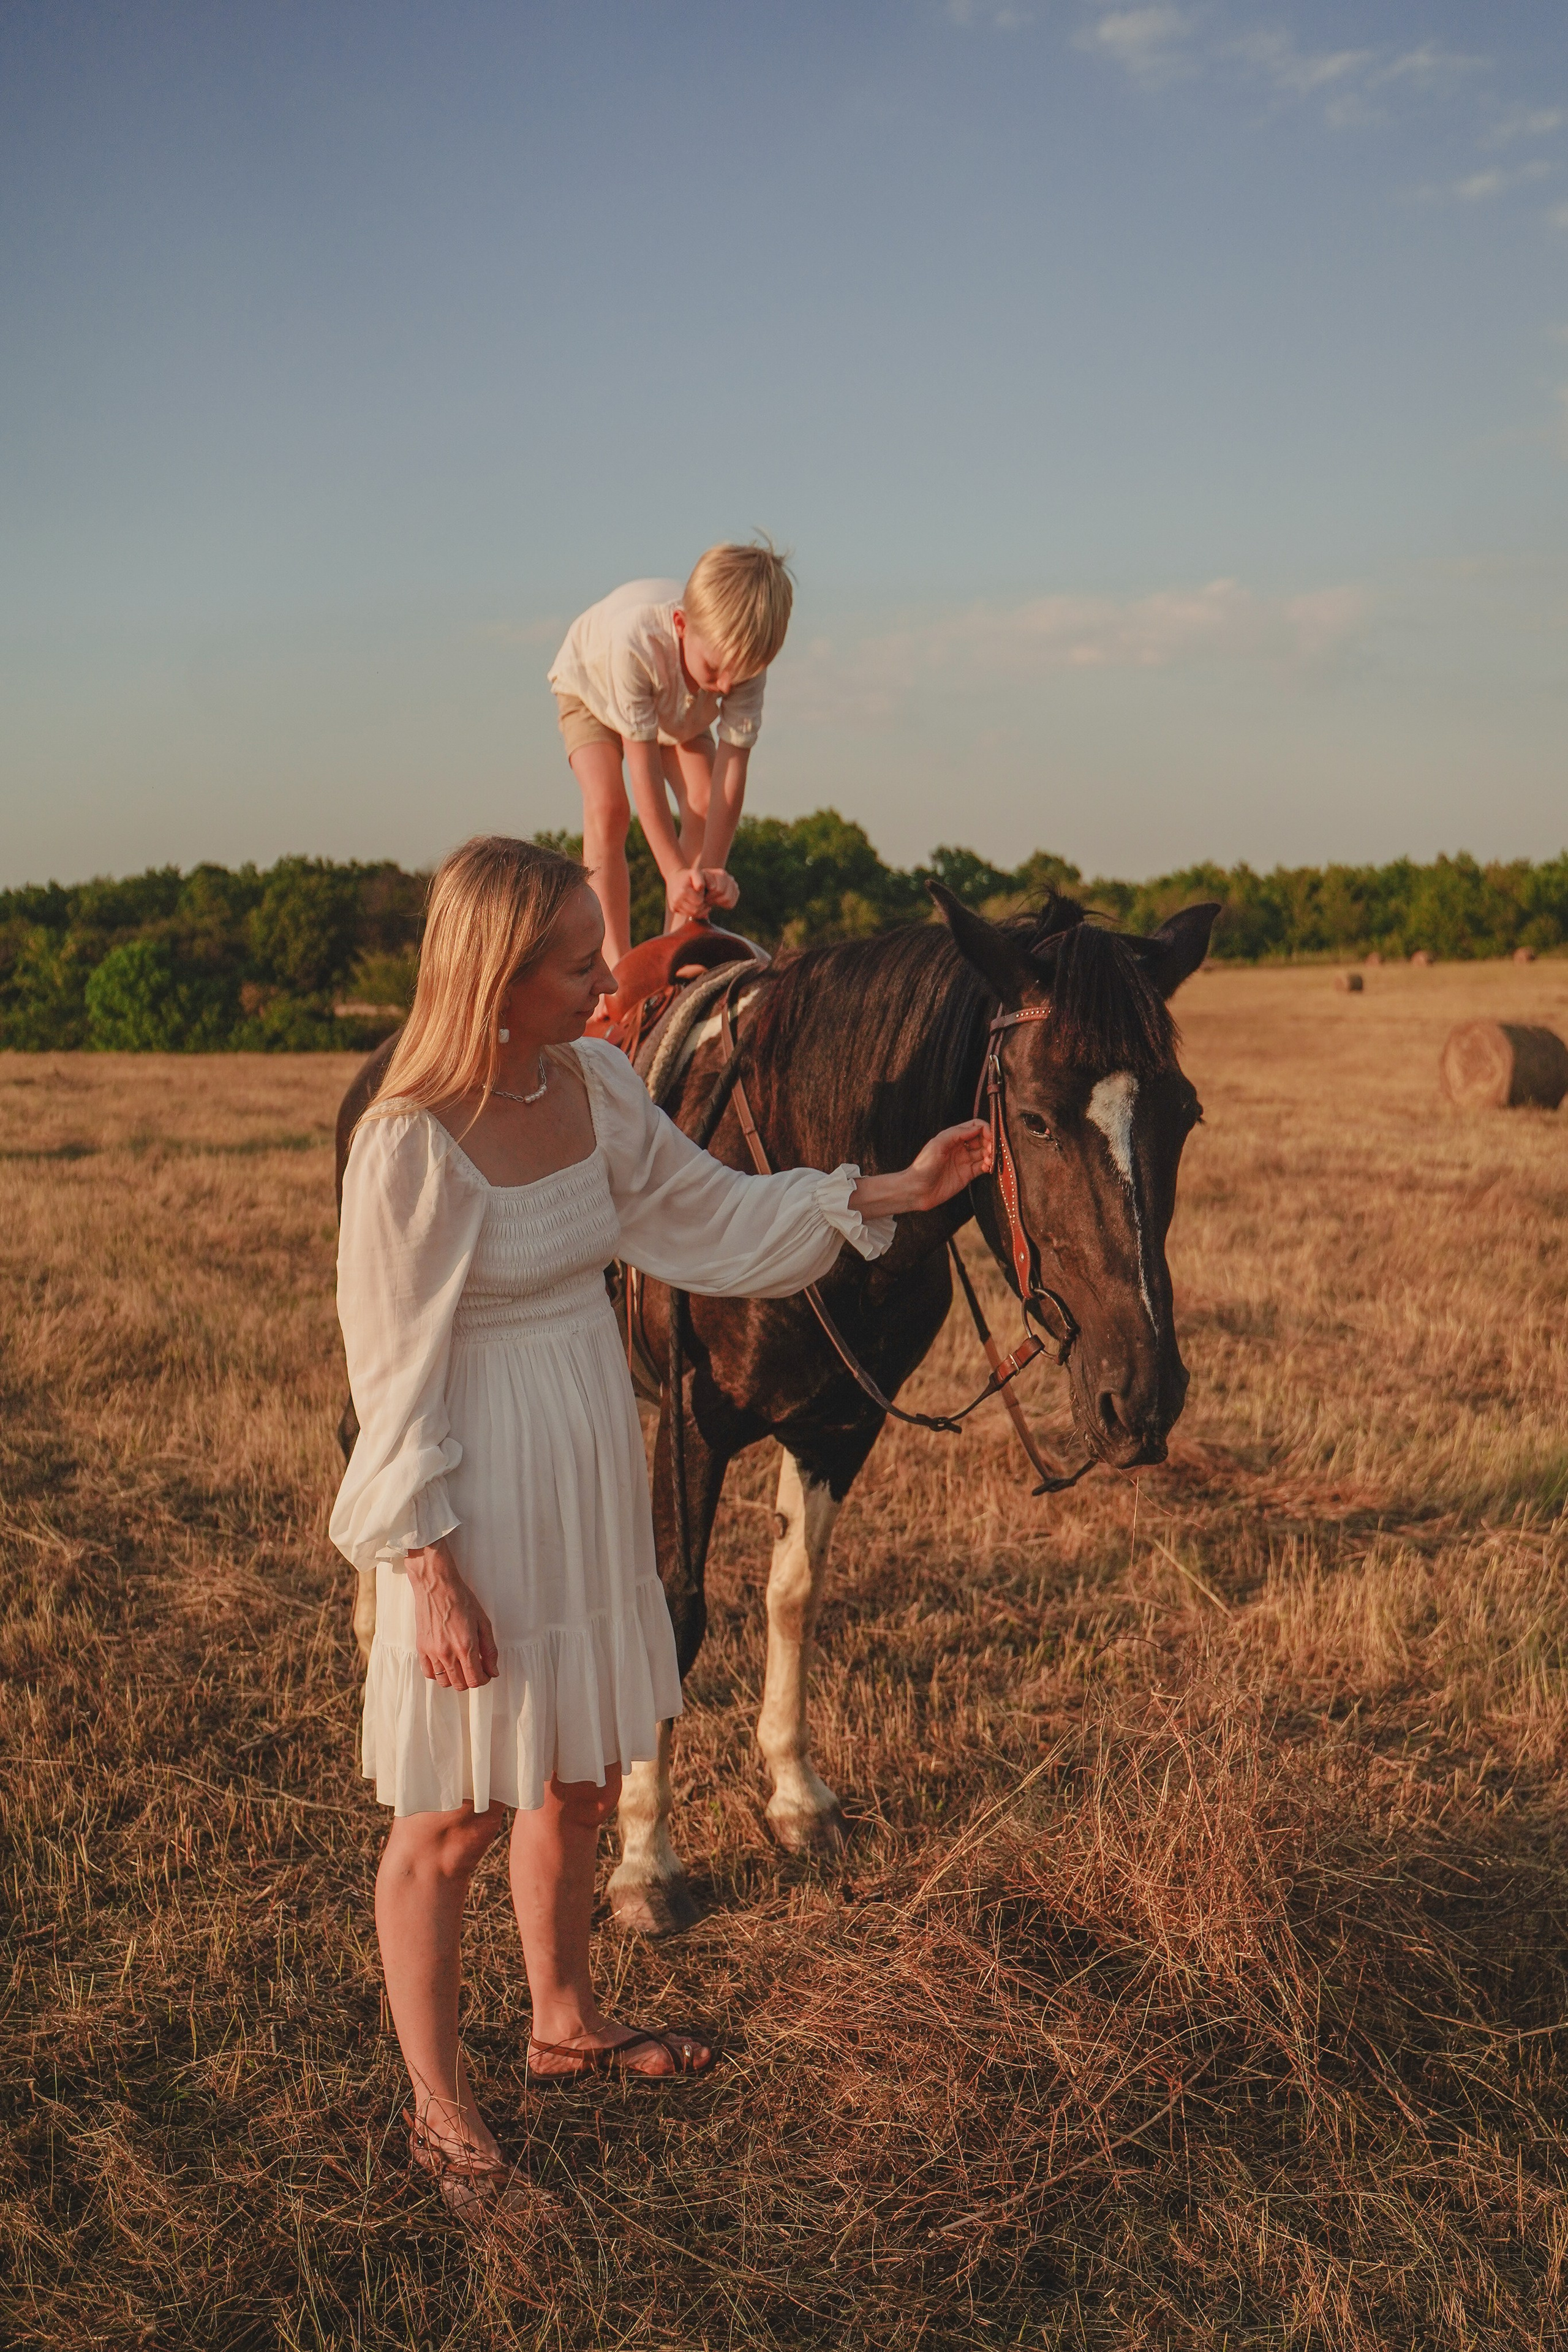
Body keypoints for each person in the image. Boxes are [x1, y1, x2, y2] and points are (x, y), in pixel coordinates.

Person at [330, 834, 991, 2215]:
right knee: (449, 1816)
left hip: (583, 1459)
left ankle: (562, 2021)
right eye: (578, 963)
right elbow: (387, 1378)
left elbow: (704, 1214)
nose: (605, 981)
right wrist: (428, 1570)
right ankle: (440, 2115)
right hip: (473, 1481)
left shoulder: (597, 1081)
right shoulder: (408, 1141)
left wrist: (891, 1192)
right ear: (498, 977)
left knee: (574, 1777)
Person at [546, 541, 794, 969]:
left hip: (677, 712)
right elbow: (641, 767)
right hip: (593, 689)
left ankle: (674, 948)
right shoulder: (635, 641)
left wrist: (709, 876)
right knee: (609, 808)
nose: (724, 688)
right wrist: (673, 872)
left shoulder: (739, 667)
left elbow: (730, 774)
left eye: (741, 677)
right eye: (715, 670)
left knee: (701, 802)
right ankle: (614, 966)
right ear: (681, 624)